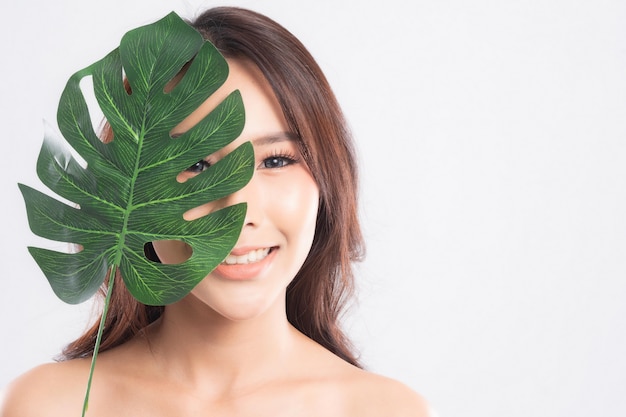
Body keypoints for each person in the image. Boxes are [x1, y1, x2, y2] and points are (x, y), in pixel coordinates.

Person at [1, 6, 432, 416]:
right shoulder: (50, 406)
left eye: (276, 160)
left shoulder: (389, 411)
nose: (239, 210)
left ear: (327, 181)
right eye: (194, 164)